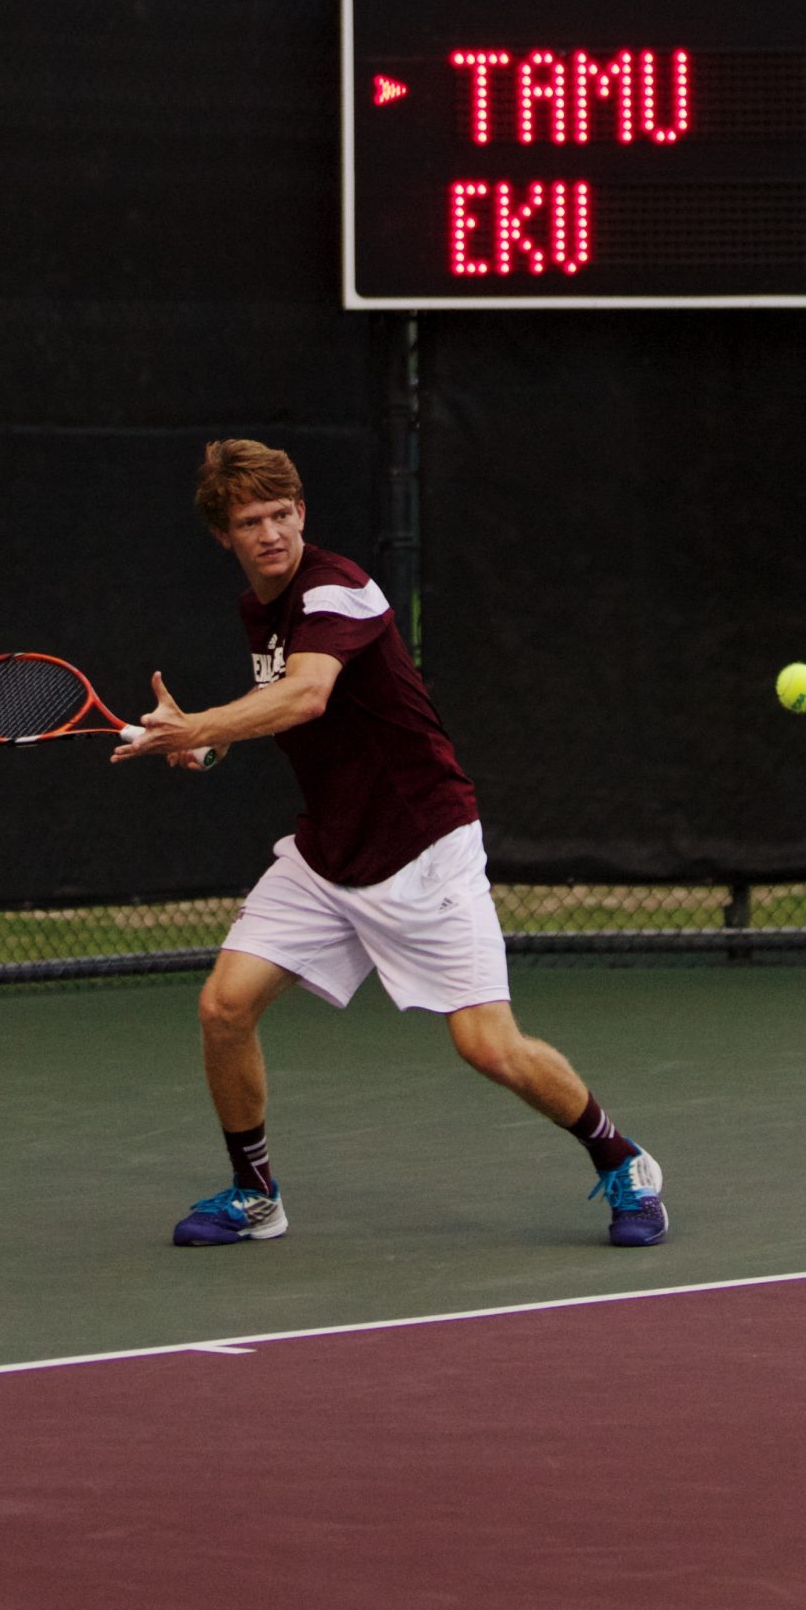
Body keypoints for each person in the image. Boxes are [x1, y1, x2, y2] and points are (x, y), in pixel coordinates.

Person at [112, 437, 667, 1253]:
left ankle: (623, 1161)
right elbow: (276, 697)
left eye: (281, 514)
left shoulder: (340, 590)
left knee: (489, 1047)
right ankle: (255, 1194)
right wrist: (214, 743)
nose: (270, 533)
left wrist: (199, 724)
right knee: (223, 1007)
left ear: (302, 513)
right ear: (222, 537)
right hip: (329, 851)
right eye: (249, 522)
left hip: (423, 846)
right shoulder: (259, 609)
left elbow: (305, 697)